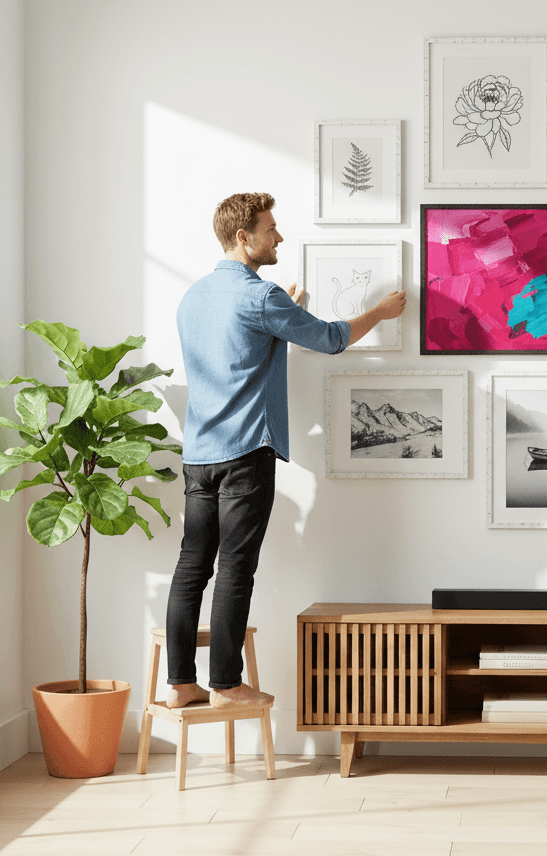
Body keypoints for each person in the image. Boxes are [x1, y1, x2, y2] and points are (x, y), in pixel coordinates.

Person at [165, 192, 406, 709]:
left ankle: (182, 684)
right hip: (246, 453)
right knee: (234, 567)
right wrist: (380, 313)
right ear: (242, 237)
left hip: (199, 455)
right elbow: (332, 338)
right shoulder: (262, 296)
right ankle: (226, 685)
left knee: (192, 566)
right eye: (270, 229)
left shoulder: (194, 297)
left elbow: (239, 351)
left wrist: (284, 314)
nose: (279, 238)